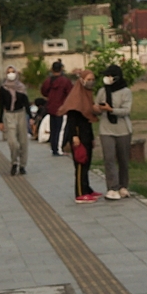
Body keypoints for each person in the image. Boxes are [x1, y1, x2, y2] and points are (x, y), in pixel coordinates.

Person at [58, 70, 100, 203]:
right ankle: (80, 193)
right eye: (88, 79)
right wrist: (74, 136)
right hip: (78, 136)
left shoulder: (86, 96)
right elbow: (72, 120)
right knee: (81, 164)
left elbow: (88, 118)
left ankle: (87, 188)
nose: (91, 81)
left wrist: (92, 137)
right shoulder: (75, 98)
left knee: (87, 162)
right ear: (81, 80)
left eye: (93, 79)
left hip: (86, 133)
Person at [96, 64, 134, 199]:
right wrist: (98, 109)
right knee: (109, 158)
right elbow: (97, 107)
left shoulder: (126, 92)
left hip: (123, 129)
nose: (107, 78)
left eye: (110, 76)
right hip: (106, 129)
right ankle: (112, 187)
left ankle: (123, 186)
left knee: (123, 159)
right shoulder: (102, 91)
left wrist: (111, 110)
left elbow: (126, 110)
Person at [0, 67, 31, 175]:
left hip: (20, 114)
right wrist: (0, 121)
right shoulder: (3, 88)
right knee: (13, 142)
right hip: (9, 115)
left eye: (12, 72)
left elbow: (26, 103)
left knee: (23, 141)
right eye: (8, 72)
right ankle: (14, 162)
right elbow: (1, 105)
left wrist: (31, 118)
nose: (11, 74)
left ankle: (22, 165)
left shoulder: (21, 87)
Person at [41, 64, 73, 157]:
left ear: (51, 69)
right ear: (62, 69)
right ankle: (58, 149)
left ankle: (53, 148)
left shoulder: (48, 81)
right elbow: (70, 93)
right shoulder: (65, 81)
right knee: (61, 130)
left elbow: (43, 91)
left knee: (53, 129)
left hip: (51, 108)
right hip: (62, 109)